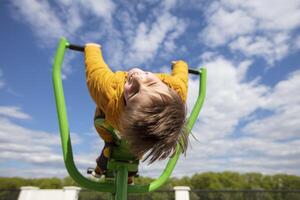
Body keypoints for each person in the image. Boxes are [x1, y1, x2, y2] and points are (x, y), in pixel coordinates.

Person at [84, 43, 189, 183]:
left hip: (115, 119)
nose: (137, 78)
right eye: (152, 84)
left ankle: (119, 149)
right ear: (169, 89)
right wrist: (180, 64)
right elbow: (182, 77)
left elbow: (95, 70)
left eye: (134, 92)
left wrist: (91, 47)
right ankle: (118, 151)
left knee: (137, 141)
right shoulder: (177, 89)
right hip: (112, 120)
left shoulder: (108, 91)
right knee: (125, 142)